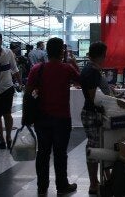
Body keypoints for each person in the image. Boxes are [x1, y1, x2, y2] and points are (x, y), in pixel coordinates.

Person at [26, 37, 80, 195]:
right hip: (62, 118)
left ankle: (42, 187)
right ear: (61, 51)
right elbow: (81, 81)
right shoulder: (67, 69)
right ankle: (62, 186)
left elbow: (28, 92)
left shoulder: (37, 69)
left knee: (42, 153)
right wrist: (74, 63)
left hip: (42, 118)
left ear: (47, 52)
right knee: (60, 154)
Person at [79, 41, 119, 195]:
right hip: (93, 114)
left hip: (96, 113)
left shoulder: (93, 69)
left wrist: (111, 92)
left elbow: (99, 91)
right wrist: (112, 100)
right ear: (102, 55)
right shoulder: (91, 71)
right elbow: (94, 98)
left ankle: (105, 177)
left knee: (101, 146)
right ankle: (93, 183)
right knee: (94, 149)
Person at [0, 32, 22, 150]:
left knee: (7, 114)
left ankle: (8, 137)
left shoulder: (8, 53)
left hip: (7, 87)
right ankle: (1, 139)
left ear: (1, 41)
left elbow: (14, 68)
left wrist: (20, 83)